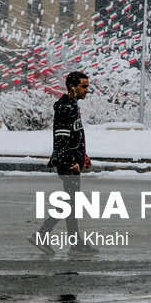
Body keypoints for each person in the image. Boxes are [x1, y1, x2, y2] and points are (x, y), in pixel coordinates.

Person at [29, 71, 98, 256]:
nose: (86, 90)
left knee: (70, 203)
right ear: (72, 87)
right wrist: (70, 162)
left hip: (73, 161)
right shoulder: (65, 108)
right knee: (69, 203)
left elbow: (75, 136)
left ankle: (70, 242)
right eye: (83, 86)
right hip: (68, 164)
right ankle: (44, 234)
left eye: (87, 86)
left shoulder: (72, 105)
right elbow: (61, 139)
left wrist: (83, 155)